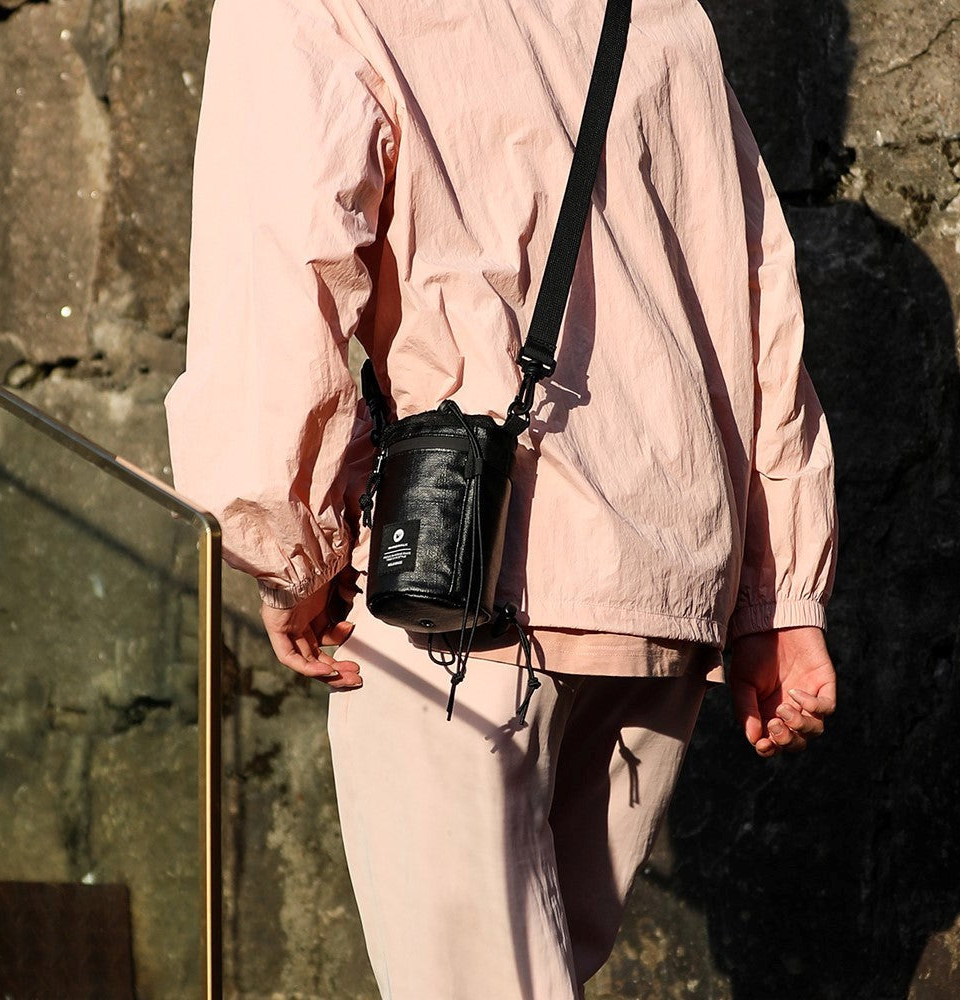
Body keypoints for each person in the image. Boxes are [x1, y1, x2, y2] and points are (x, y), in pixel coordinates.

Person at [164, 0, 839, 995]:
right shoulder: (658, 8)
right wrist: (777, 598)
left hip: (458, 583)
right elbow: (753, 292)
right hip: (664, 587)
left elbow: (278, 278)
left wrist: (289, 546)